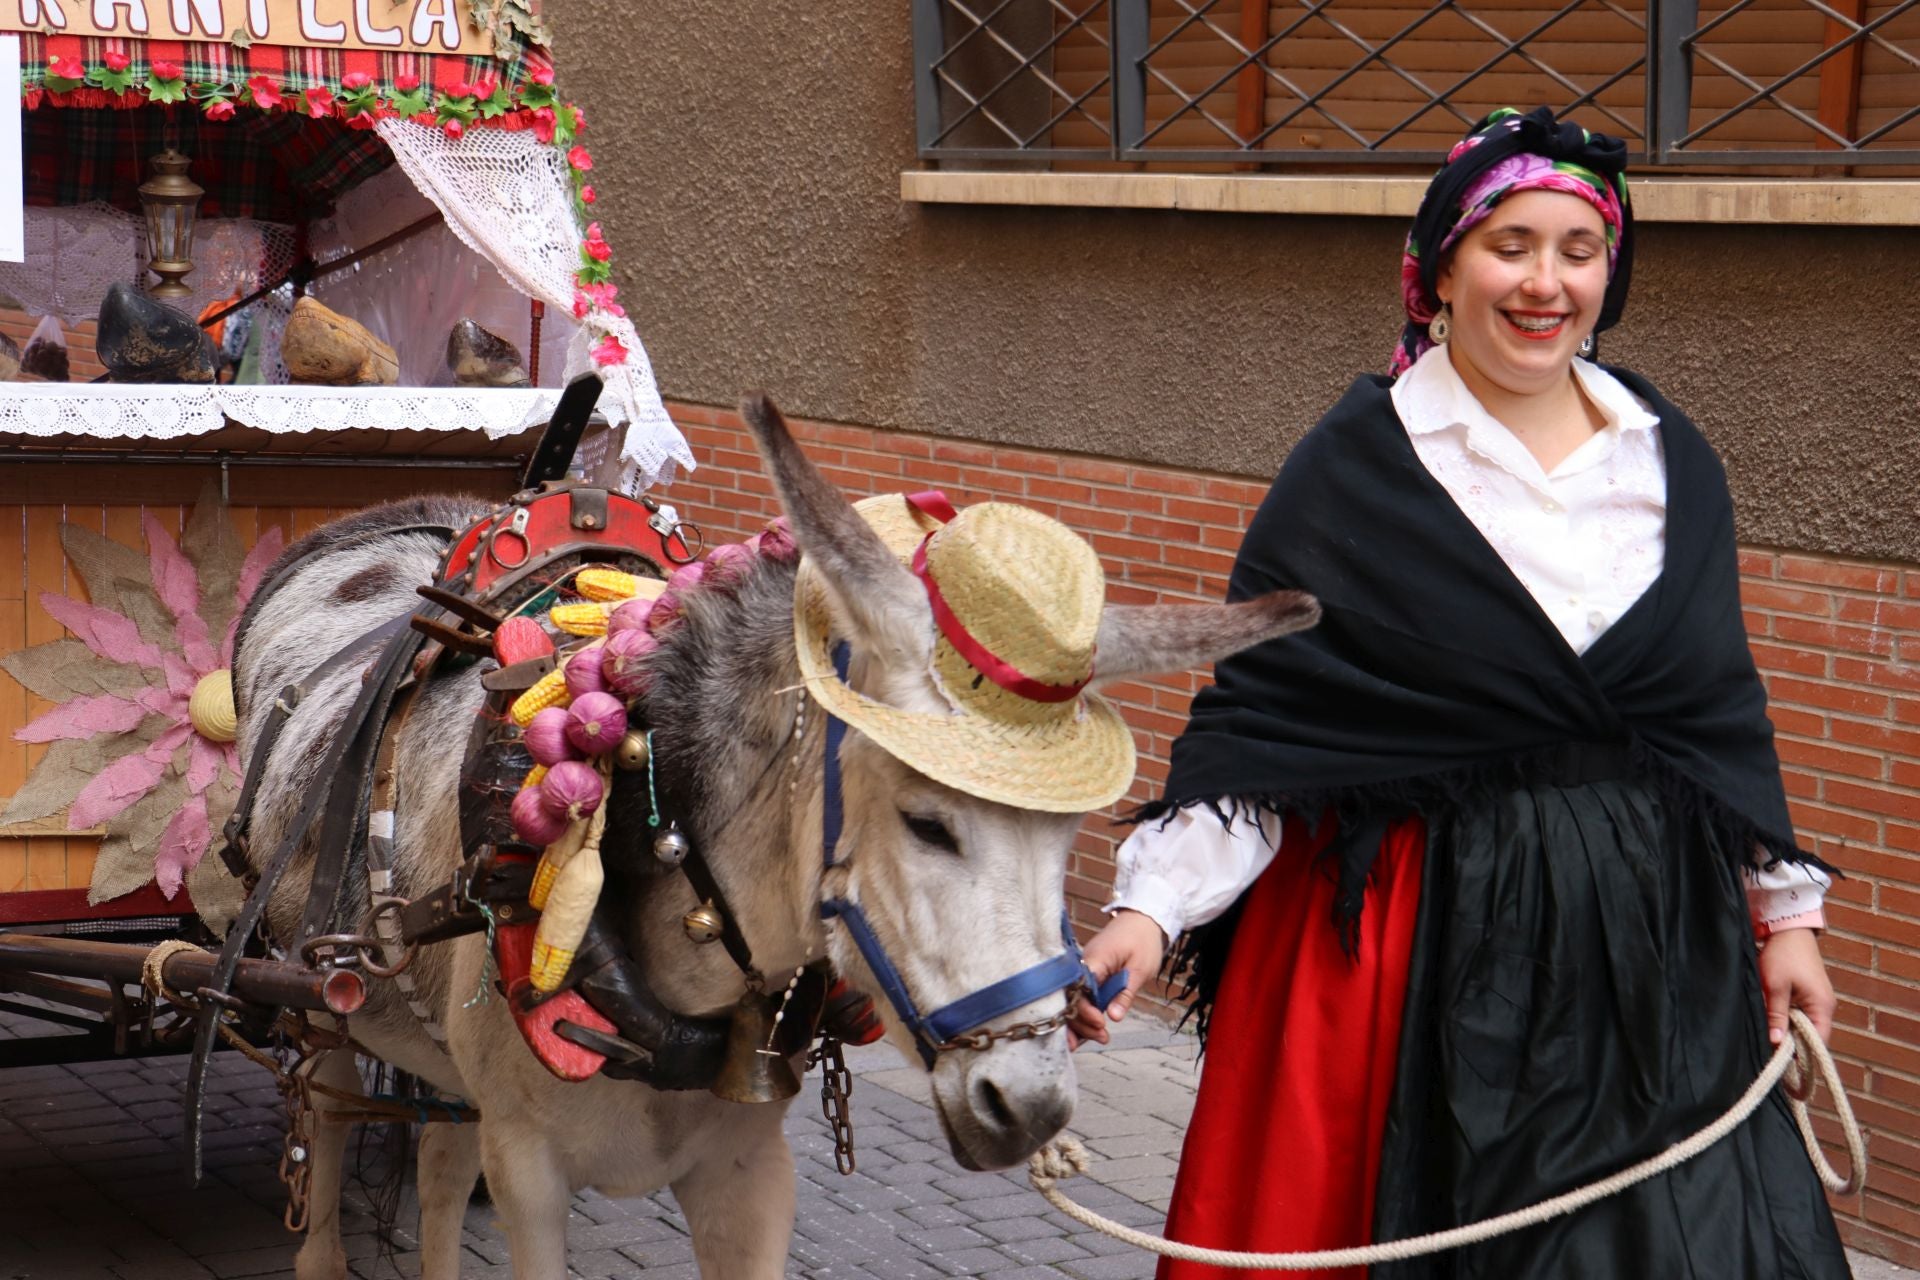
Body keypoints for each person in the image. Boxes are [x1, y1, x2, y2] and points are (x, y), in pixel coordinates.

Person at [1070, 106, 1851, 1279]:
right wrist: (1149, 913)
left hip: (1651, 956)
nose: (1545, 283)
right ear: (1443, 268)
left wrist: (1785, 920)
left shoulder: (1667, 456)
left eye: (1578, 250)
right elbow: (1271, 725)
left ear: (1610, 271)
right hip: (1421, 948)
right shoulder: (1358, 464)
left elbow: (1712, 713)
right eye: (1510, 245)